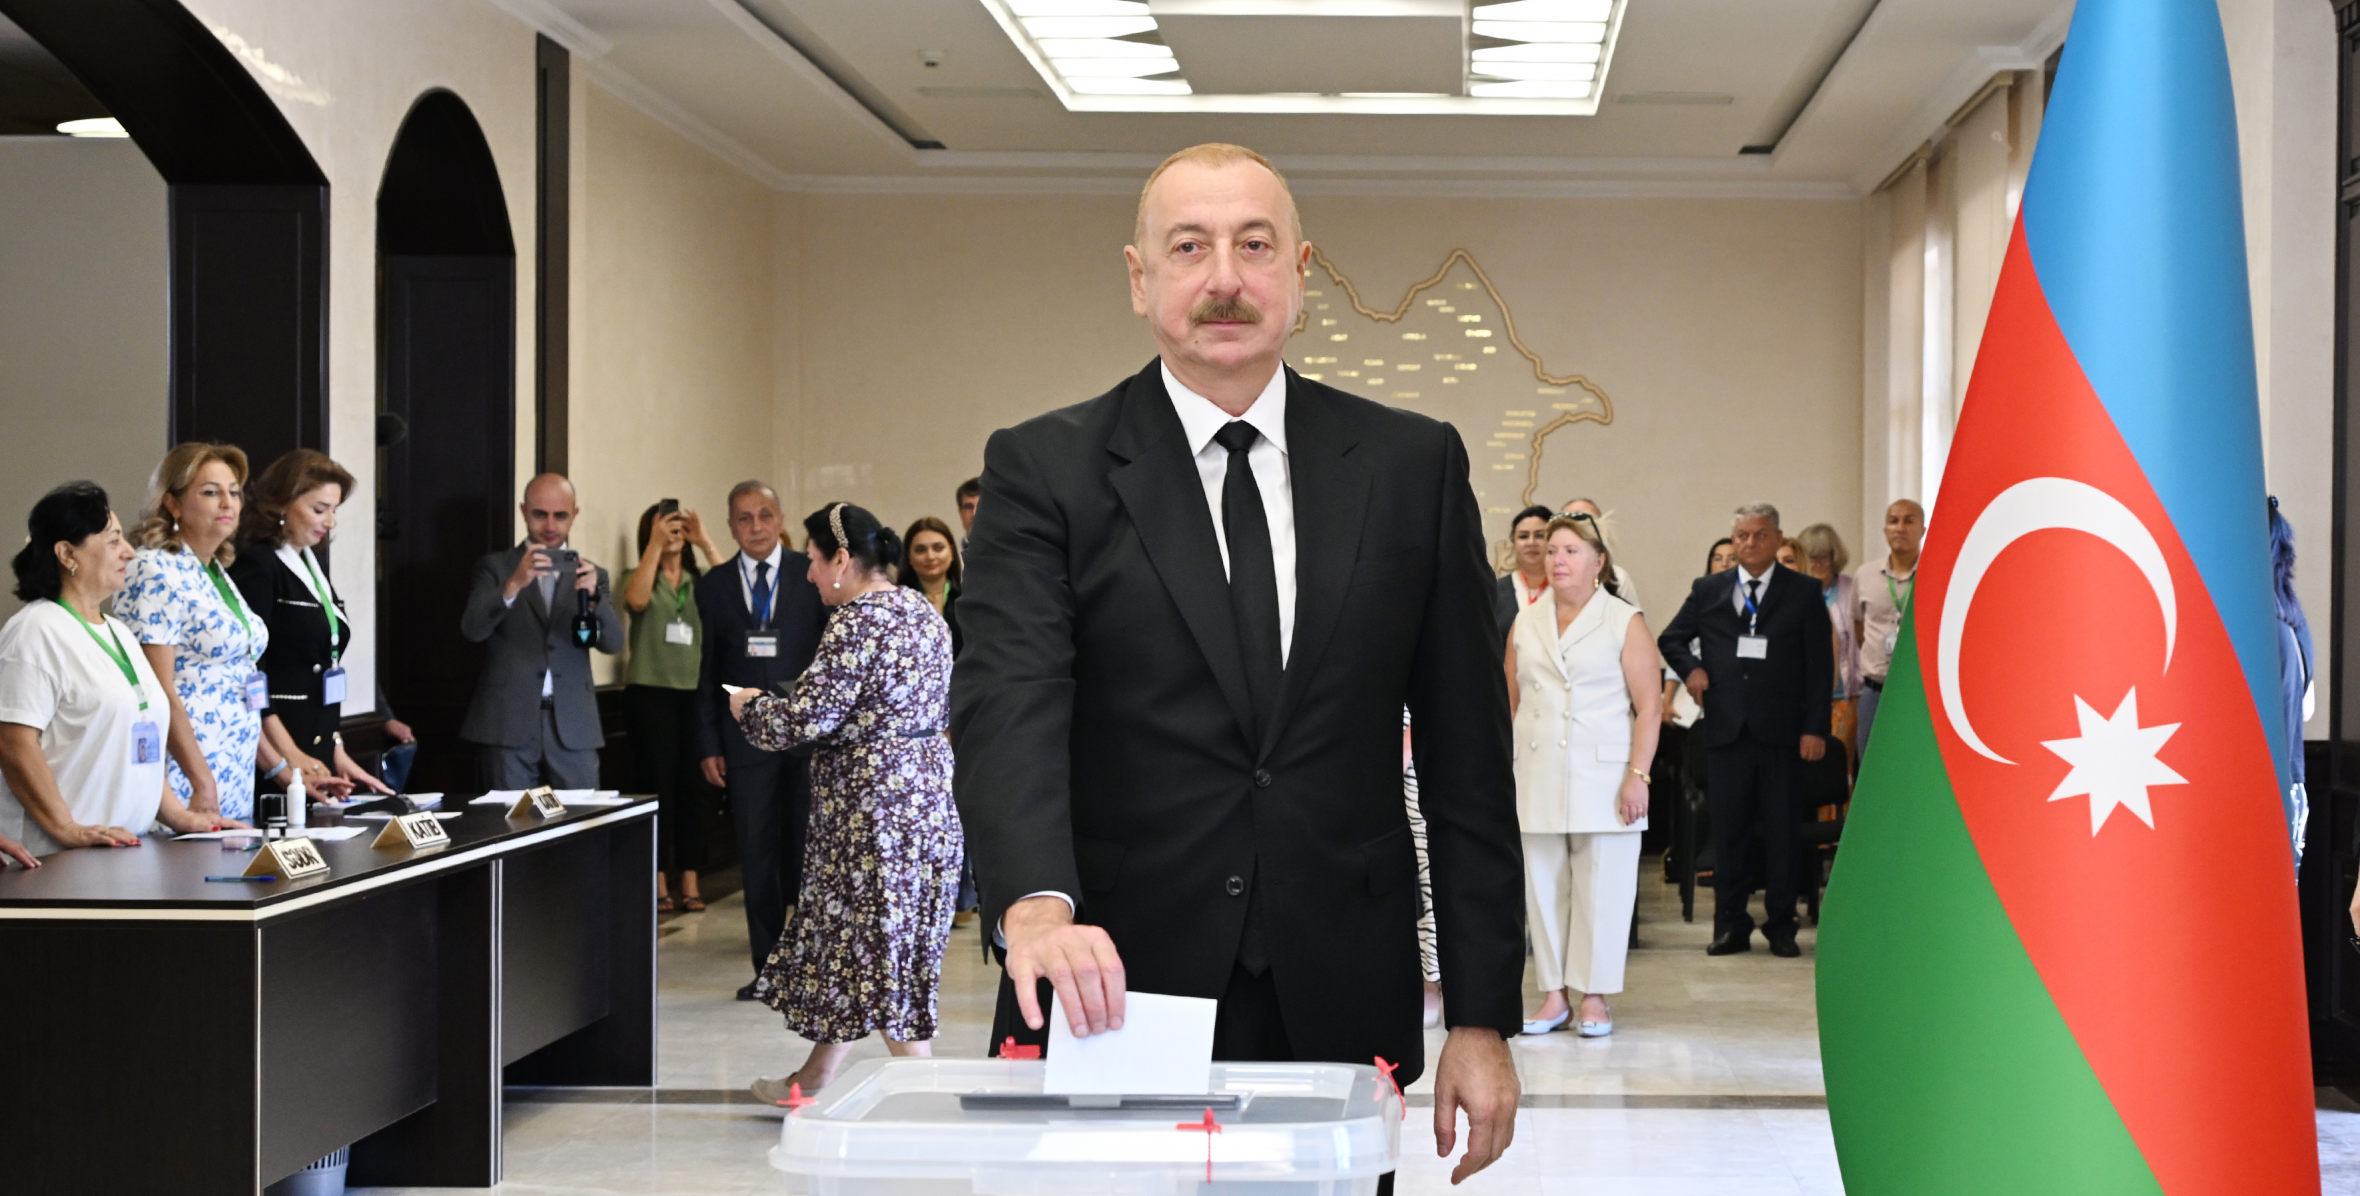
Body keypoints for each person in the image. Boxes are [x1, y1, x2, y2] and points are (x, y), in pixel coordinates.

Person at [952, 142, 1523, 1188]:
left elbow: (1466, 759)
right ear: (1140, 279)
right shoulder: (1045, 469)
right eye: (1189, 246)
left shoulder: (1410, 465)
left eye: (1253, 245)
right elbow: (1010, 696)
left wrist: (1481, 1012)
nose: (1223, 277)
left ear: (1299, 275)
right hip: (1111, 980)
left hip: (1343, 986)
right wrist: (1035, 901)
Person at [735, 503, 961, 1097]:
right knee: (866, 943)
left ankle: (924, 1092)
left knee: (880, 950)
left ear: (841, 560)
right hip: (927, 799)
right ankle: (810, 1080)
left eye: (811, 561)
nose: (807, 575)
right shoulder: (920, 609)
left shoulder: (858, 620)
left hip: (874, 814)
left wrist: (750, 707)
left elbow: (805, 719)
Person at [0, 482, 235, 856]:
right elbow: (14, 743)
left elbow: (137, 743)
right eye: (112, 540)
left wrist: (178, 815)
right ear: (66, 553)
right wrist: (66, 828)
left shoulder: (120, 633)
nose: (128, 552)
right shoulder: (34, 631)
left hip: (126, 848)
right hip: (55, 858)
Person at [1658, 502, 1831, 958]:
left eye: (1759, 536)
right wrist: (1692, 670)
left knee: (1781, 833)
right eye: (1741, 536)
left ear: (1777, 540)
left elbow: (1819, 668)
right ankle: (1730, 924)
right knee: (1729, 833)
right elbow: (1670, 638)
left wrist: (1815, 728)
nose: (1749, 544)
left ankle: (1781, 925)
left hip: (1782, 733)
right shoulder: (1709, 588)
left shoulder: (1802, 592)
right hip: (1727, 730)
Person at [1508, 515, 1658, 1037]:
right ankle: (1554, 996)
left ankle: (1594, 996)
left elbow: (1650, 707)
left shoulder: (1623, 619)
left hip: (1605, 772)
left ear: (1598, 561)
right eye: (1552, 551)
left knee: (1602, 886)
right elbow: (1511, 700)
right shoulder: (1526, 621)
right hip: (1537, 767)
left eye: (1571, 550)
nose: (1558, 560)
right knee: (1543, 887)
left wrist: (1638, 774)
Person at [696, 480, 830, 1000]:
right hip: (745, 742)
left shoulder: (809, 573)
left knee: (807, 854)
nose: (755, 527)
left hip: (807, 738)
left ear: (780, 519)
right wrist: (710, 743)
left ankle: (812, 966)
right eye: (744, 519)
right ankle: (769, 969)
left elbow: (829, 658)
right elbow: (708, 673)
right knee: (756, 855)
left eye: (765, 515)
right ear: (730, 526)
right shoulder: (715, 585)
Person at [118, 443, 269, 824]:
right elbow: (157, 688)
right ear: (172, 503)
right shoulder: (154, 569)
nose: (228, 503)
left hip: (233, 762)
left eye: (234, 492)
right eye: (210, 492)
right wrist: (200, 778)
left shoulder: (215, 571)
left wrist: (281, 765)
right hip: (184, 770)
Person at [232, 450, 389, 800]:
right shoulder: (258, 564)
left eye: (334, 510)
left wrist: (338, 752)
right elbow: (251, 671)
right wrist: (289, 755)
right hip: (275, 750)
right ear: (282, 505)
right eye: (320, 510)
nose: (330, 522)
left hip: (315, 741)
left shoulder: (309, 564)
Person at [458, 474, 622, 789]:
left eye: (560, 515)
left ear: (574, 515)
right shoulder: (495, 567)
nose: (549, 525)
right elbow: (472, 629)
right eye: (539, 514)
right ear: (523, 511)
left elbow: (613, 643)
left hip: (574, 720)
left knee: (582, 826)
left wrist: (595, 600)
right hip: (508, 720)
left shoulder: (592, 574)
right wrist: (514, 585)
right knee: (511, 827)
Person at [623, 500, 724, 913]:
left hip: (697, 693)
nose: (672, 532)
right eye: (663, 526)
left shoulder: (702, 581)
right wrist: (653, 546)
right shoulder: (636, 573)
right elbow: (638, 600)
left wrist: (703, 540)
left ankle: (690, 877)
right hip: (650, 692)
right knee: (657, 784)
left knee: (696, 790)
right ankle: (658, 878)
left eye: (677, 526)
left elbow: (731, 589)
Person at [1853, 499, 1923, 755]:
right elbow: (1859, 626)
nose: (1900, 528)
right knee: (1871, 766)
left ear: (1923, 530)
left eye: (1909, 520)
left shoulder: (1936, 574)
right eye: (1893, 521)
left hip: (1919, 694)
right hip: (1875, 692)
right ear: (1885, 530)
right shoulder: (1865, 575)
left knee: (1915, 766)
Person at [1791, 523, 1860, 766]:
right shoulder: (1792, 593)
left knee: (1838, 764)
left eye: (1825, 558)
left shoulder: (1851, 590)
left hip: (1843, 695)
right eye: (1812, 558)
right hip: (1799, 699)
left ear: (1835, 558)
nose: (1818, 565)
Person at [2270, 497, 2315, 866]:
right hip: (2292, 785)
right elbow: (2308, 708)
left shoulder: (2263, 629)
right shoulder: (2296, 626)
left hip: (2268, 788)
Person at [898, 516, 964, 657]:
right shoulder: (896, 604)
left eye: (938, 548)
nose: (930, 556)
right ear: (908, 557)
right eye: (920, 550)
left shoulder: (969, 598)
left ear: (951, 552)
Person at [1491, 504, 1554, 649]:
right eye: (1523, 536)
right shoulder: (1494, 592)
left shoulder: (1566, 591)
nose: (1531, 542)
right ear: (1514, 543)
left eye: (1540, 535)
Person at [1561, 498, 1641, 610]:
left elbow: (1634, 624)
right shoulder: (1548, 575)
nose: (1580, 526)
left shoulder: (1617, 578)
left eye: (1589, 521)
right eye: (1573, 520)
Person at [955, 477, 981, 553]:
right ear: (960, 513)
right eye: (968, 507)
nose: (974, 514)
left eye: (982, 506)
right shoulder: (951, 556)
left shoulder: (1013, 554)